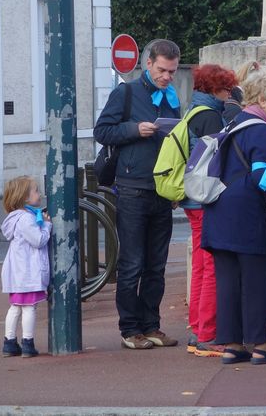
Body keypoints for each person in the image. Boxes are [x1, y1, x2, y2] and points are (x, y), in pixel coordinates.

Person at [94, 38, 182, 350]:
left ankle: (152, 325)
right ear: (148, 64)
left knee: (156, 265)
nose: (167, 77)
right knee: (132, 263)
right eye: (162, 70)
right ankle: (130, 329)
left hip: (162, 191)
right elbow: (102, 131)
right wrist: (135, 129)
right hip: (131, 189)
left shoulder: (171, 99)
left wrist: (175, 187)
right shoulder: (126, 93)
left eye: (171, 71)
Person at [201, 67, 266, 366]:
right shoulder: (261, 129)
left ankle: (232, 345)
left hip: (218, 211)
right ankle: (261, 345)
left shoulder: (233, 122)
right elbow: (263, 175)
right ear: (264, 99)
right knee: (255, 280)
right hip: (246, 214)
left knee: (228, 282)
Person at [179, 64, 239, 358]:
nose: (229, 95)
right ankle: (208, 334)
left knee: (201, 266)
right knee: (211, 267)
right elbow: (217, 159)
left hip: (191, 199)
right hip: (205, 199)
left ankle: (196, 328)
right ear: (216, 88)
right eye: (227, 89)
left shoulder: (193, 111)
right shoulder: (211, 116)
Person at [0, 176, 51, 359]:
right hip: (27, 272)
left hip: (17, 273)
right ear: (25, 197)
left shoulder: (15, 219)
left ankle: (9, 342)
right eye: (36, 190)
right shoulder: (25, 219)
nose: (39, 193)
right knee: (29, 307)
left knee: (15, 307)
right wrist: (47, 226)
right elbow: (38, 240)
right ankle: (28, 343)